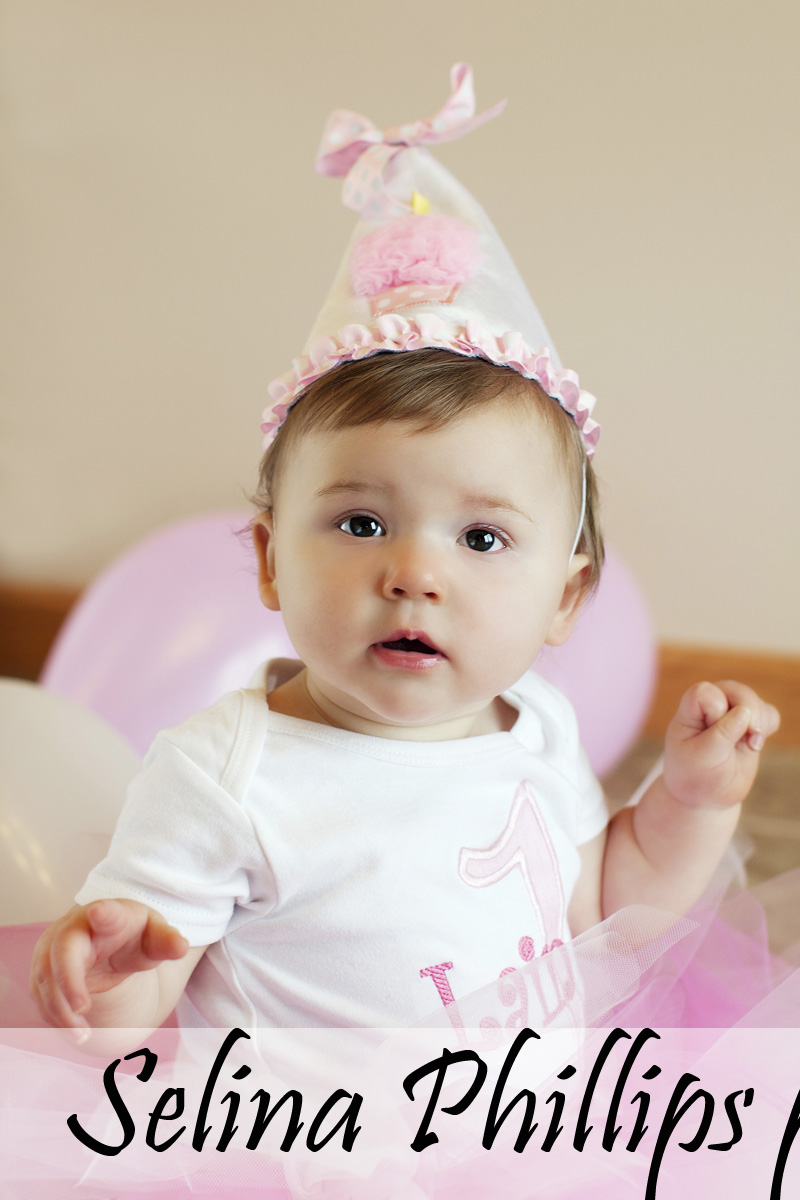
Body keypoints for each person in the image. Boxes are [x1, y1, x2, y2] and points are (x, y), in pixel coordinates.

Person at [30, 66, 780, 1043]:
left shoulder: (535, 729)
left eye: (481, 538)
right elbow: (139, 998)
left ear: (566, 598)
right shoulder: (224, 771)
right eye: (360, 523)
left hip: (536, 1125)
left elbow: (603, 911)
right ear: (269, 561)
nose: (414, 576)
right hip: (303, 1135)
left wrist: (689, 801)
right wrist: (110, 978)